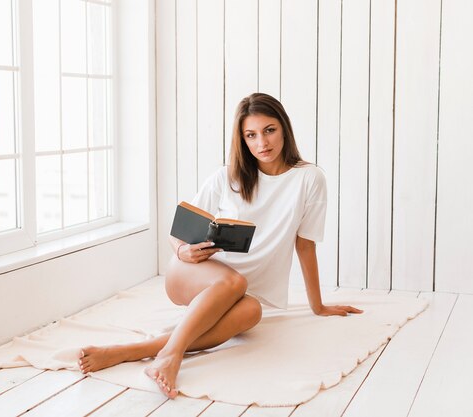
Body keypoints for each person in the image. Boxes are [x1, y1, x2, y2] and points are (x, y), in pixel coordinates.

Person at [77, 92, 363, 398]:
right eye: (250, 135)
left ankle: (133, 351)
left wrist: (318, 307)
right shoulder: (227, 177)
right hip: (192, 276)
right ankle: (170, 357)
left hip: (241, 292)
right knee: (233, 281)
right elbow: (178, 232)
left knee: (252, 311)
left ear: (284, 129)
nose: (262, 144)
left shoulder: (309, 179)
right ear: (241, 139)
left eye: (269, 130)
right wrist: (182, 251)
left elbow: (305, 246)